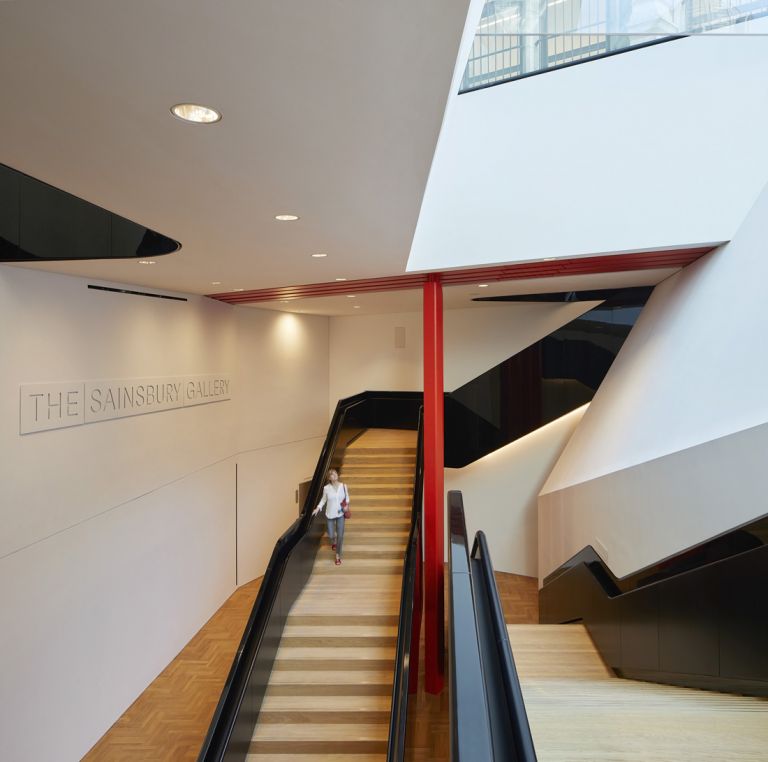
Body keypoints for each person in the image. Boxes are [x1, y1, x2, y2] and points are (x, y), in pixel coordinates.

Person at [312, 468, 349, 566]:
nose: (335, 475)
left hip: (340, 514)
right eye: (332, 474)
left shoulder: (343, 486)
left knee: (340, 535)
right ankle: (333, 541)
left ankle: (338, 555)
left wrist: (346, 507)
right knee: (331, 534)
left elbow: (347, 499)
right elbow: (323, 500)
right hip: (330, 514)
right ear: (329, 478)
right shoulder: (326, 488)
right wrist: (317, 508)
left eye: (335, 473)